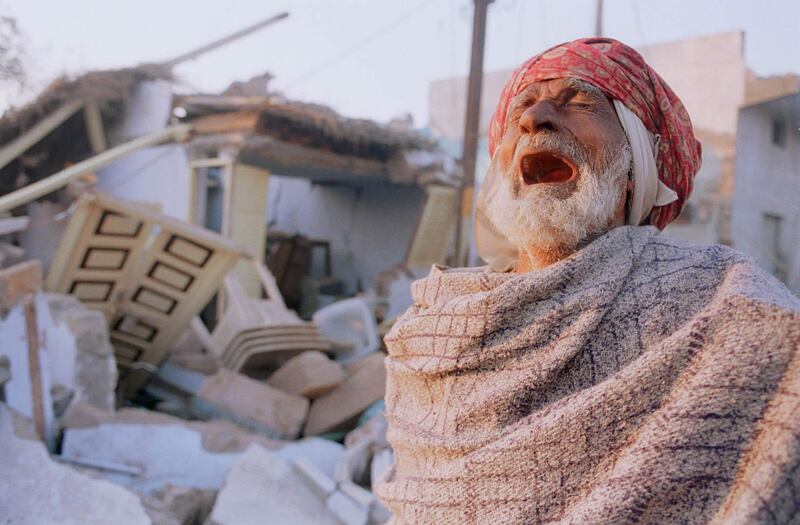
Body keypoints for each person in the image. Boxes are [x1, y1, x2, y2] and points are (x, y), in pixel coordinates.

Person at [375, 38, 800, 524]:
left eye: (578, 102)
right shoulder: (430, 332)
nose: (535, 119)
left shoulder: (719, 300)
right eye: (524, 106)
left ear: (635, 169)